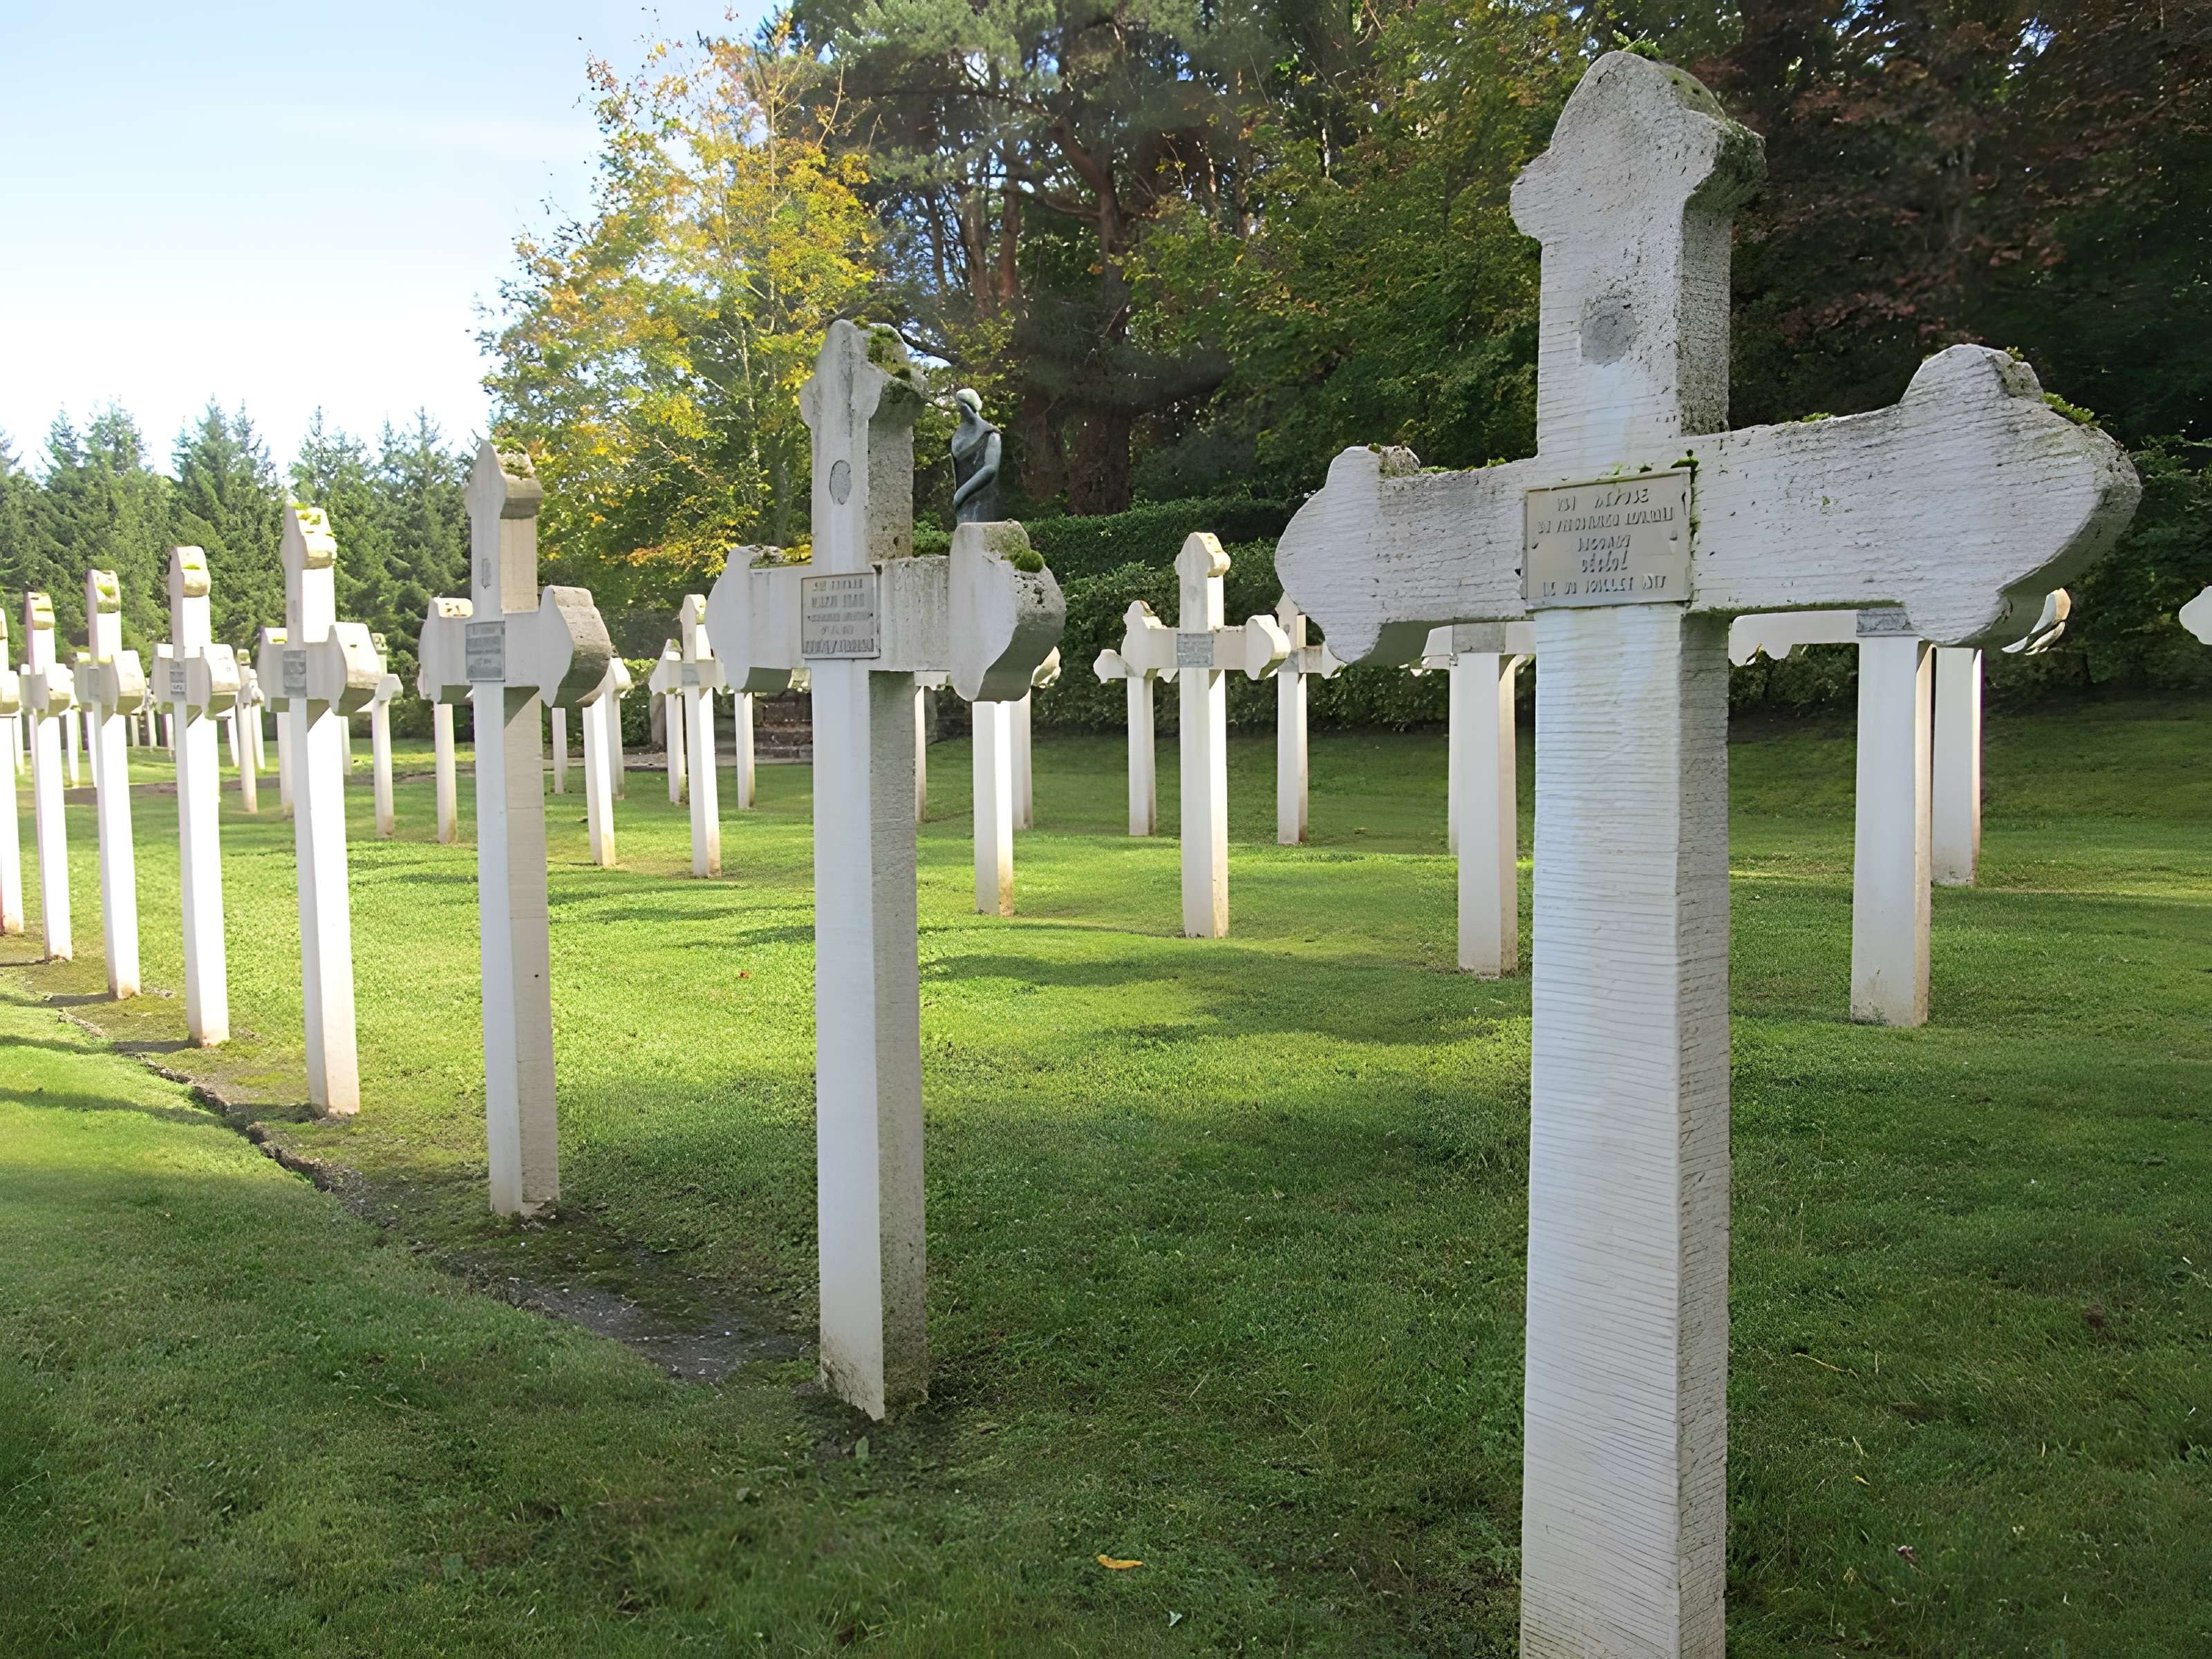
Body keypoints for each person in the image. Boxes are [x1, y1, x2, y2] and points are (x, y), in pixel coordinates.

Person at [950, 387, 1002, 523]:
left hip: (982, 499)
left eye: (961, 405)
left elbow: (990, 468)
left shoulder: (991, 434)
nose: (959, 409)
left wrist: (961, 494)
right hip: (963, 503)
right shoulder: (959, 436)